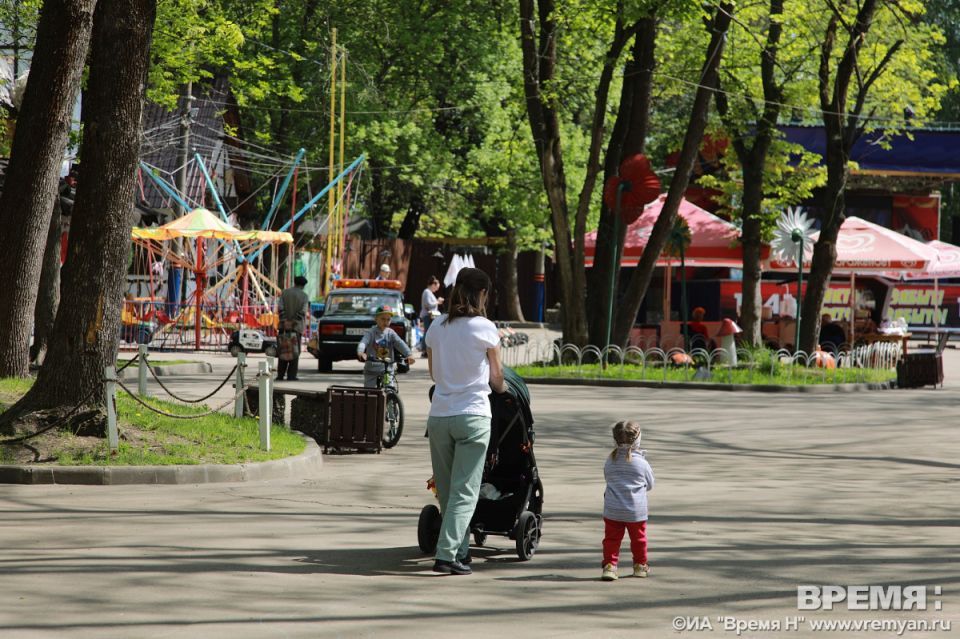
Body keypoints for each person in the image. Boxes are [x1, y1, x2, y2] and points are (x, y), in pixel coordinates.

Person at [425, 267, 506, 575]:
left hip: (440, 416)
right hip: (473, 415)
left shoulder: (437, 327)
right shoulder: (485, 328)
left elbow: (434, 374)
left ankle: (459, 550)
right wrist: (501, 388)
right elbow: (497, 378)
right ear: (481, 294)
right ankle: (446, 555)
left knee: (446, 491)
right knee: (465, 491)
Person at [601, 420, 655, 582]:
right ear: (638, 439)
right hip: (636, 510)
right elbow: (650, 484)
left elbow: (608, 479)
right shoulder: (642, 463)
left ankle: (610, 566)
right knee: (638, 539)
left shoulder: (610, 461)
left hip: (612, 509)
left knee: (611, 539)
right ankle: (640, 565)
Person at [357, 306, 416, 388]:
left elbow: (400, 343)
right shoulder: (371, 332)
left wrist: (409, 354)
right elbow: (364, 342)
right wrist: (361, 352)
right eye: (383, 319)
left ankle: (390, 399)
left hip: (387, 369)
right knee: (370, 391)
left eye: (388, 319)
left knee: (389, 388)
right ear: (376, 319)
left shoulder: (391, 333)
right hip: (372, 368)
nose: (385, 322)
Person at [277, 275, 310, 381]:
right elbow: (303, 312)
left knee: (283, 350)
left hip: (283, 327)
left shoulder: (285, 293)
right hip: (296, 329)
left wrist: (285, 320)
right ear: (304, 285)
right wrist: (293, 322)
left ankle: (280, 375)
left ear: (294, 282)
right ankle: (291, 375)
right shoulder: (304, 296)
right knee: (295, 352)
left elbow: (280, 307)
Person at [419, 276, 444, 355]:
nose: (436, 289)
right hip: (428, 315)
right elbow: (428, 304)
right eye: (436, 287)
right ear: (433, 284)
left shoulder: (429, 292)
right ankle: (424, 350)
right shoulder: (427, 292)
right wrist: (437, 301)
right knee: (427, 332)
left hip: (430, 316)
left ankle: (425, 349)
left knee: (428, 332)